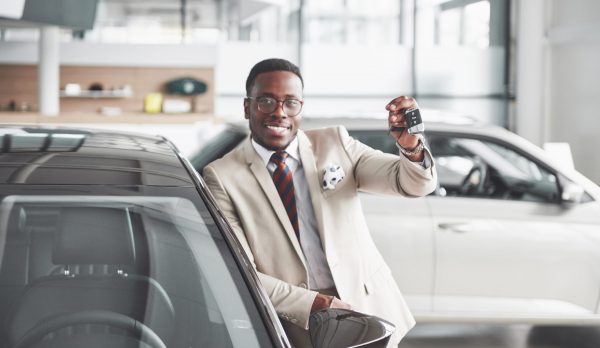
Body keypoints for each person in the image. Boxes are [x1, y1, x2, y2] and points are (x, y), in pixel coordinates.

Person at [203, 58, 437, 347]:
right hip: (296, 322)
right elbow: (240, 272)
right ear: (246, 106)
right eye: (266, 101)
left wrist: (411, 147)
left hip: (368, 312)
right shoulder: (223, 176)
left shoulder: (335, 143)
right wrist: (315, 303)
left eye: (290, 103)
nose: (279, 113)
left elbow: (412, 184)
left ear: (300, 106)